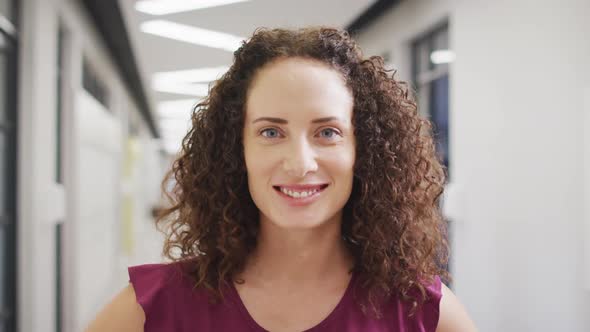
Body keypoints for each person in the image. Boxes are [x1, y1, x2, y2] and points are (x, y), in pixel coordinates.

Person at [87, 27, 477, 331]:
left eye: (327, 132)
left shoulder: (423, 311)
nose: (300, 163)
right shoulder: (153, 307)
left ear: (364, 151)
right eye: (271, 132)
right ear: (237, 151)